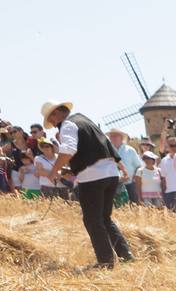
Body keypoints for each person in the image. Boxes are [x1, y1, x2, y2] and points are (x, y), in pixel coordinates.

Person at [41, 100, 134, 269]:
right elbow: (104, 147)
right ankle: (125, 254)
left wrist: (54, 170)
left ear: (56, 113)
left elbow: (68, 149)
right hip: (111, 174)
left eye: (52, 121)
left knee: (92, 219)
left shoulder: (68, 125)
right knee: (105, 218)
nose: (54, 125)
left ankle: (106, 262)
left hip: (93, 178)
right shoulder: (86, 120)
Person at [107, 128, 142, 205]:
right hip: (114, 185)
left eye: (116, 136)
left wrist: (133, 179)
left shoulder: (130, 150)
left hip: (130, 184)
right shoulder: (107, 151)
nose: (113, 138)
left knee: (134, 205)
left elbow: (138, 166)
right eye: (112, 136)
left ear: (121, 137)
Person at [159, 137, 176, 211]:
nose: (174, 147)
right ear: (167, 146)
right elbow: (163, 178)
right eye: (172, 145)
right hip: (169, 192)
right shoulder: (164, 161)